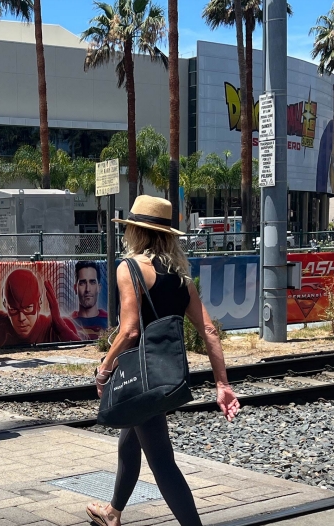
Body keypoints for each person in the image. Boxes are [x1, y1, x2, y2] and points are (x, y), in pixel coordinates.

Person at [86, 196, 240, 526]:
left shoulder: (128, 268)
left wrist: (104, 368)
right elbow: (210, 331)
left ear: (135, 233)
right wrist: (223, 385)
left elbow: (128, 332)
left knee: (162, 462)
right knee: (130, 440)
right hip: (165, 373)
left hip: (142, 377)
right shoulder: (181, 278)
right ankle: (113, 512)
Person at [0, 268, 81, 347]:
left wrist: (60, 327)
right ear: (5, 305)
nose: (21, 318)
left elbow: (81, 353)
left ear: (39, 303)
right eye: (13, 309)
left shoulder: (54, 330)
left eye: (28, 308)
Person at [72, 261, 108, 339]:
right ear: (75, 288)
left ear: (99, 288)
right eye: (82, 283)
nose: (87, 289)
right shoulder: (67, 322)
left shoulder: (109, 321)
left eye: (92, 282)